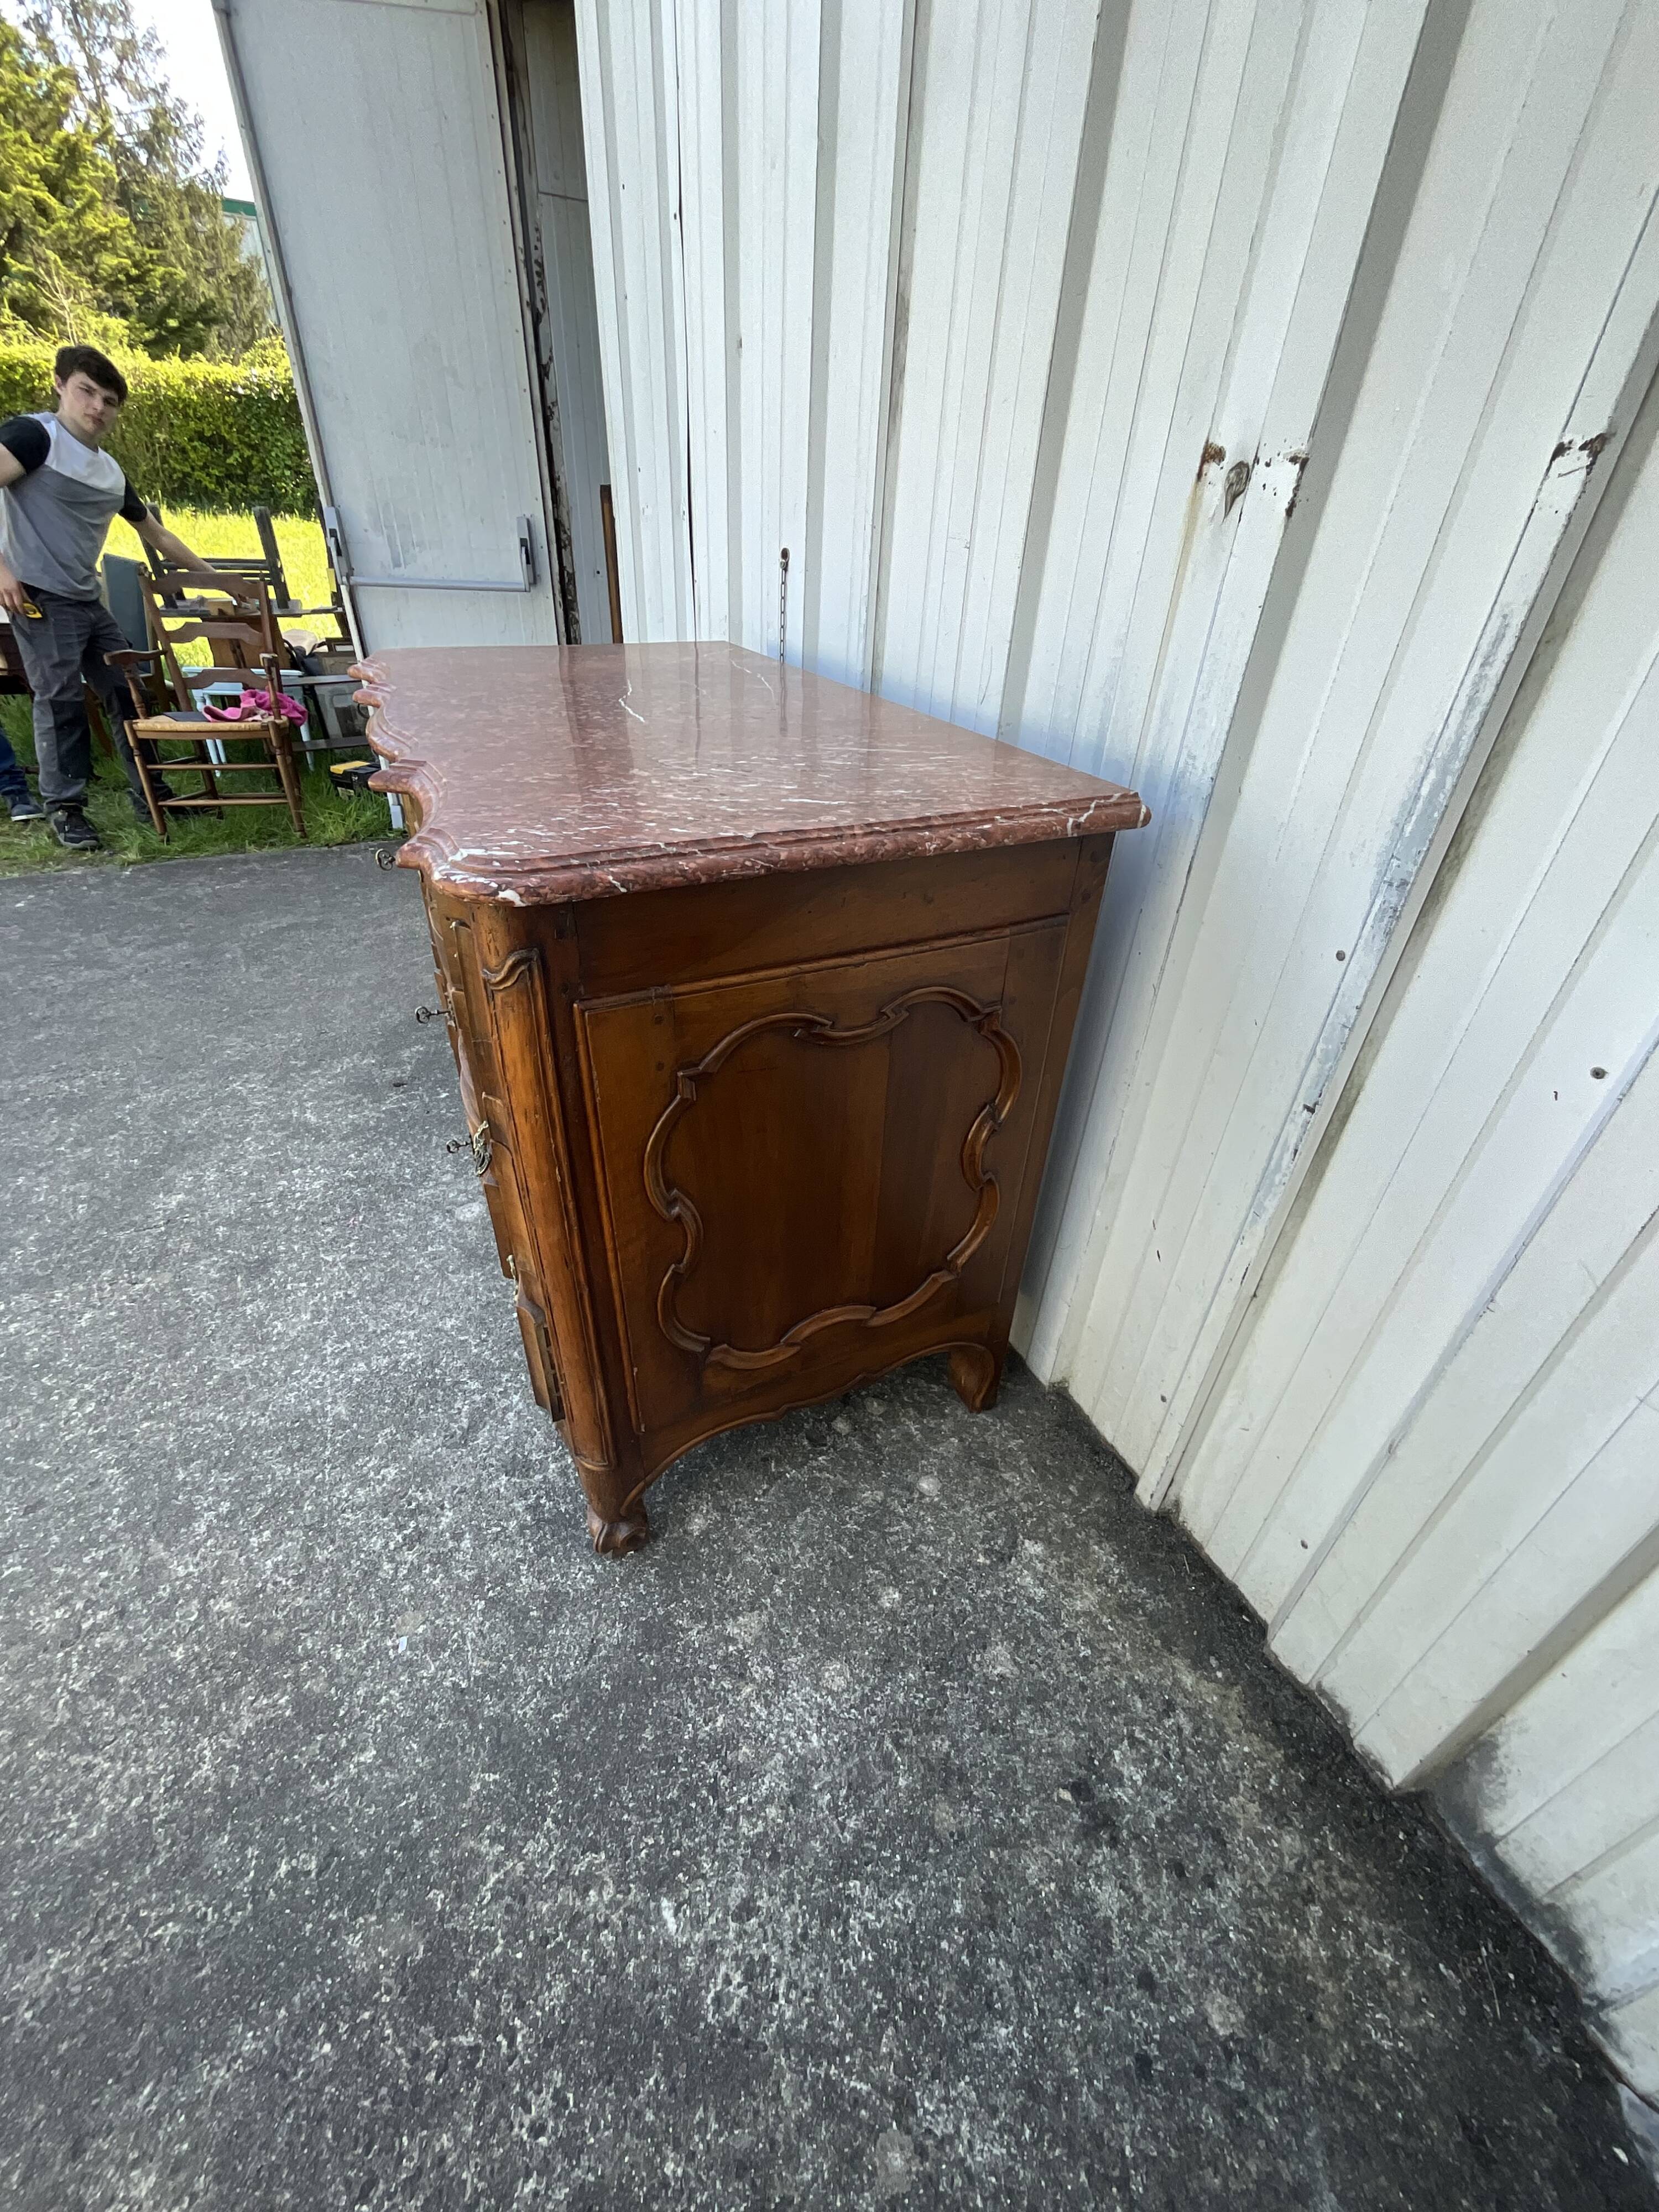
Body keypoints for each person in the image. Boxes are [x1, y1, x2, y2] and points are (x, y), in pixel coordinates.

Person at [0, 345, 205, 851]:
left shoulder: (110, 471)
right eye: (87, 392)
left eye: (109, 400)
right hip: (38, 593)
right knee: (62, 700)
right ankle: (65, 810)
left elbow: (159, 537)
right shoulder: (33, 437)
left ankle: (153, 795)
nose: (97, 407)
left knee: (127, 691)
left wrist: (222, 584)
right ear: (60, 385)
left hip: (87, 597)